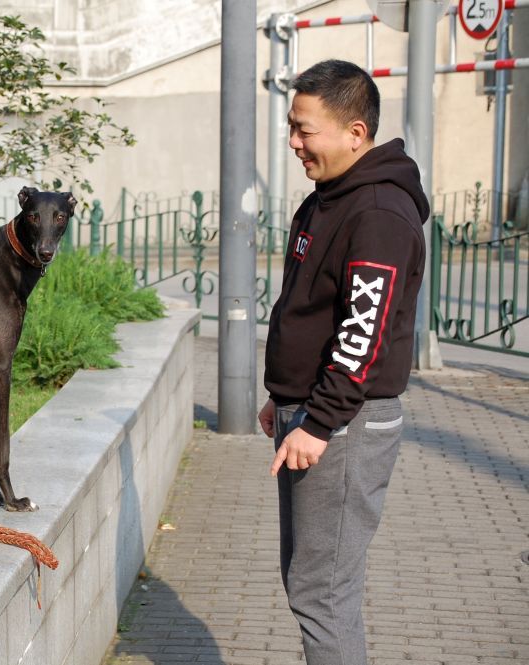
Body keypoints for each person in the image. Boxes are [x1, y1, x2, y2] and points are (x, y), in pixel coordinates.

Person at [257, 59, 429, 664]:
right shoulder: (330, 198)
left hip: (343, 426)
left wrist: (319, 420)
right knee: (313, 586)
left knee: (321, 594)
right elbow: (312, 309)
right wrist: (283, 398)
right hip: (310, 415)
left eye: (306, 129)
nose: (293, 142)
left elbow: (363, 333)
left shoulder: (378, 213)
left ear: (356, 133)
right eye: (292, 126)